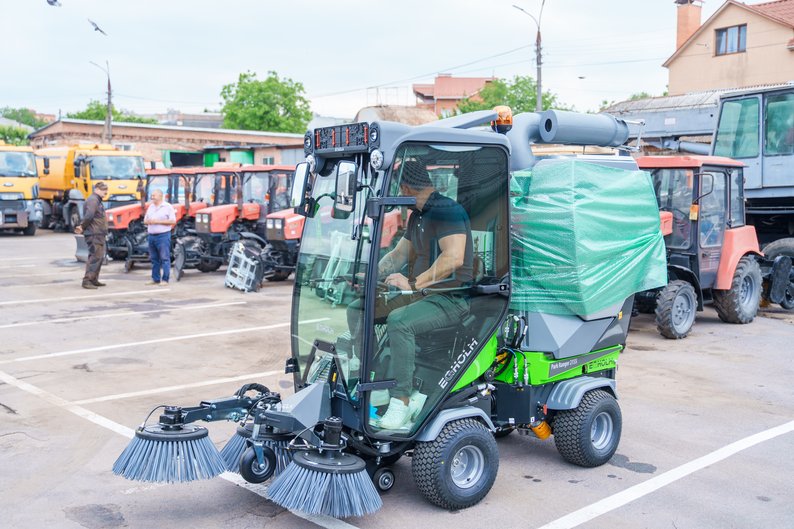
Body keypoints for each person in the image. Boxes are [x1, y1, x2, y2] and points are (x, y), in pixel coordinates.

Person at [348, 160, 474, 430]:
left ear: (405, 187)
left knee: (399, 320)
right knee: (358, 308)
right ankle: (377, 381)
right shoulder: (418, 214)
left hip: (450, 298)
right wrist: (371, 275)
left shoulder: (446, 211)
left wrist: (413, 283)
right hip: (421, 294)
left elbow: (453, 258)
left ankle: (401, 401)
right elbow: (398, 255)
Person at [74, 182, 109, 289]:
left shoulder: (96, 200)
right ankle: (87, 281)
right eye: (103, 190)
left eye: (106, 189)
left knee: (98, 257)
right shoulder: (93, 200)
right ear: (96, 189)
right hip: (94, 233)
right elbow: (89, 216)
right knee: (95, 257)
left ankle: (93, 279)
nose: (106, 192)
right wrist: (82, 226)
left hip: (98, 233)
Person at [143, 189, 176, 285]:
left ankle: (165, 279)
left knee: (164, 258)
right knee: (154, 258)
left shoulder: (168, 207)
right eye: (152, 195)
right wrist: (148, 221)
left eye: (154, 195)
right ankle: (155, 278)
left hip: (163, 236)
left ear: (161, 196)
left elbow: (173, 221)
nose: (152, 197)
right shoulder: (151, 207)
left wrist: (158, 221)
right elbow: (145, 220)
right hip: (151, 235)